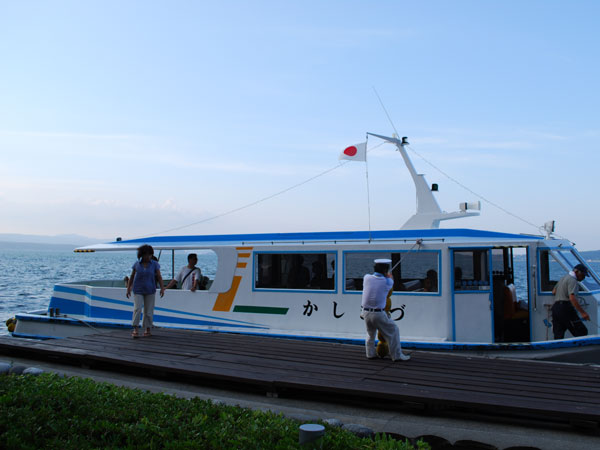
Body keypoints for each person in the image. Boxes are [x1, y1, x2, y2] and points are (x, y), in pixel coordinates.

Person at [361, 258, 410, 362]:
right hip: (378, 313)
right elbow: (389, 283)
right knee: (393, 330)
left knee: (370, 333)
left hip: (365, 312)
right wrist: (389, 276)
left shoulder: (366, 277)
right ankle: (397, 356)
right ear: (385, 270)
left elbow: (374, 280)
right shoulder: (388, 281)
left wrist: (385, 274)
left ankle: (370, 354)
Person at [126, 245, 165, 338]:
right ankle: (135, 328)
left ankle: (147, 329)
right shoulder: (136, 264)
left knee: (149, 310)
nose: (148, 257)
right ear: (141, 255)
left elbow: (159, 276)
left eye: (149, 255)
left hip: (150, 289)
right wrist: (128, 288)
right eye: (146, 255)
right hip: (138, 289)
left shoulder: (155, 264)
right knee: (137, 309)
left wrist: (162, 288)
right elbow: (132, 276)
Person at [551, 263, 590, 339]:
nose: (583, 278)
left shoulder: (563, 278)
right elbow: (572, 298)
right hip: (565, 307)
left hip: (556, 308)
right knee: (581, 331)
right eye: (583, 275)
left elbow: (554, 292)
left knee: (558, 334)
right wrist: (583, 313)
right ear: (577, 272)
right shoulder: (573, 280)